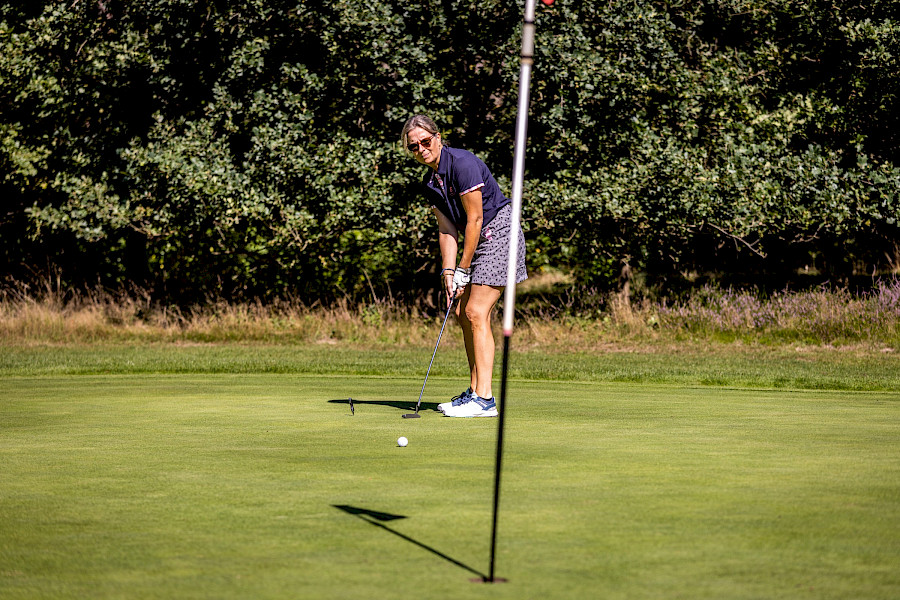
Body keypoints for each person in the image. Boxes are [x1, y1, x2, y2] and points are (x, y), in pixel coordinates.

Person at [400, 115, 527, 418]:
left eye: (425, 141)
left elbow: (475, 219)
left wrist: (463, 267)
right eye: (413, 146)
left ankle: (485, 400)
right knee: (460, 312)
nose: (421, 149)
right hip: (477, 239)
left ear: (438, 137)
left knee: (475, 311)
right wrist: (448, 272)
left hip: (500, 234)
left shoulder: (462, 163)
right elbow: (447, 230)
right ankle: (474, 391)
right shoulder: (430, 183)